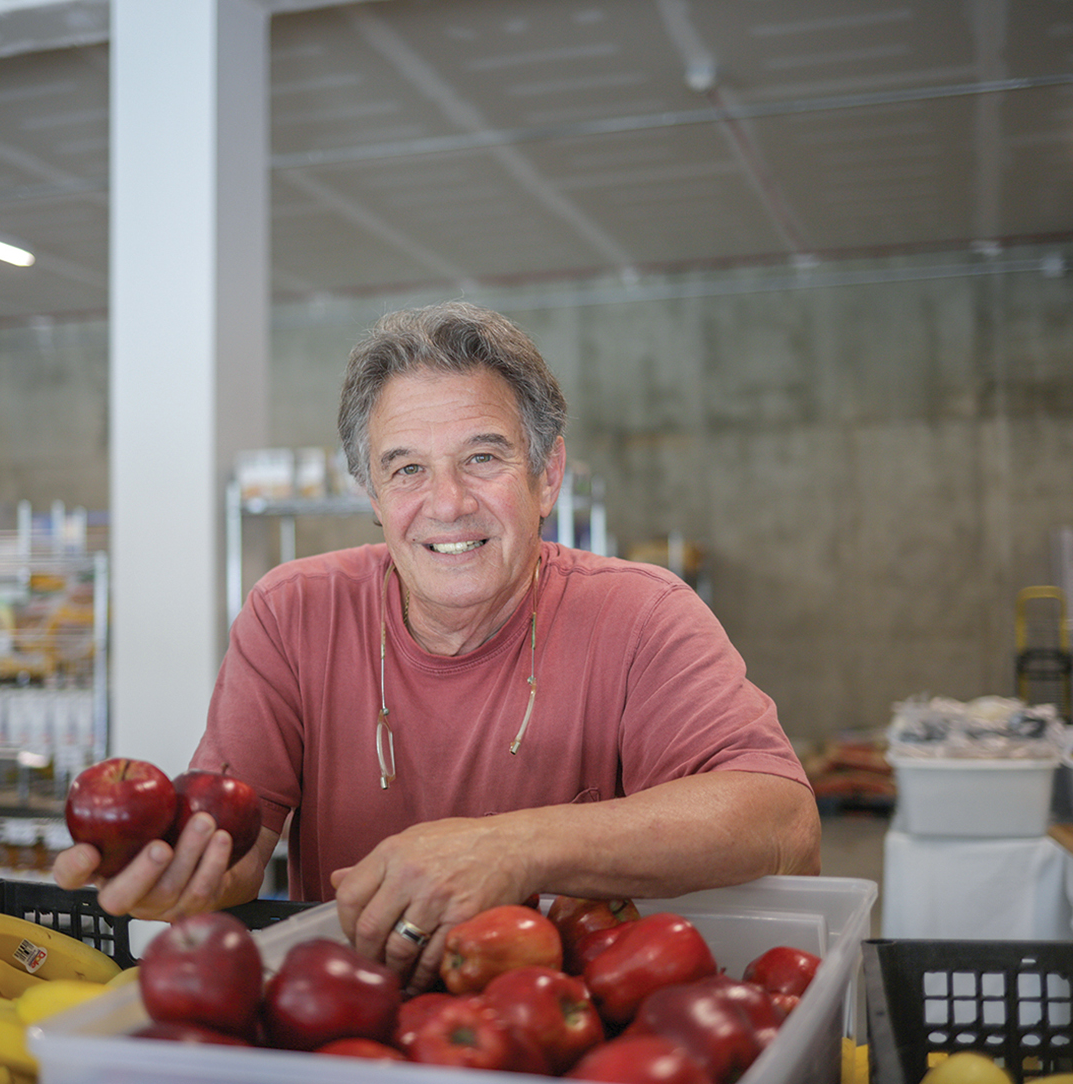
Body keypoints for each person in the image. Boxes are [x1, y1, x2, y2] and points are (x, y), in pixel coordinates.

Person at [55, 300, 820, 993]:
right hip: (349, 1017)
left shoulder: (643, 615)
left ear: (546, 475)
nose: (448, 504)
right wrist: (179, 875)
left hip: (563, 1024)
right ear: (372, 494)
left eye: (483, 458)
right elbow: (244, 853)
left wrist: (514, 848)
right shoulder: (293, 613)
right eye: (408, 468)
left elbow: (781, 820)